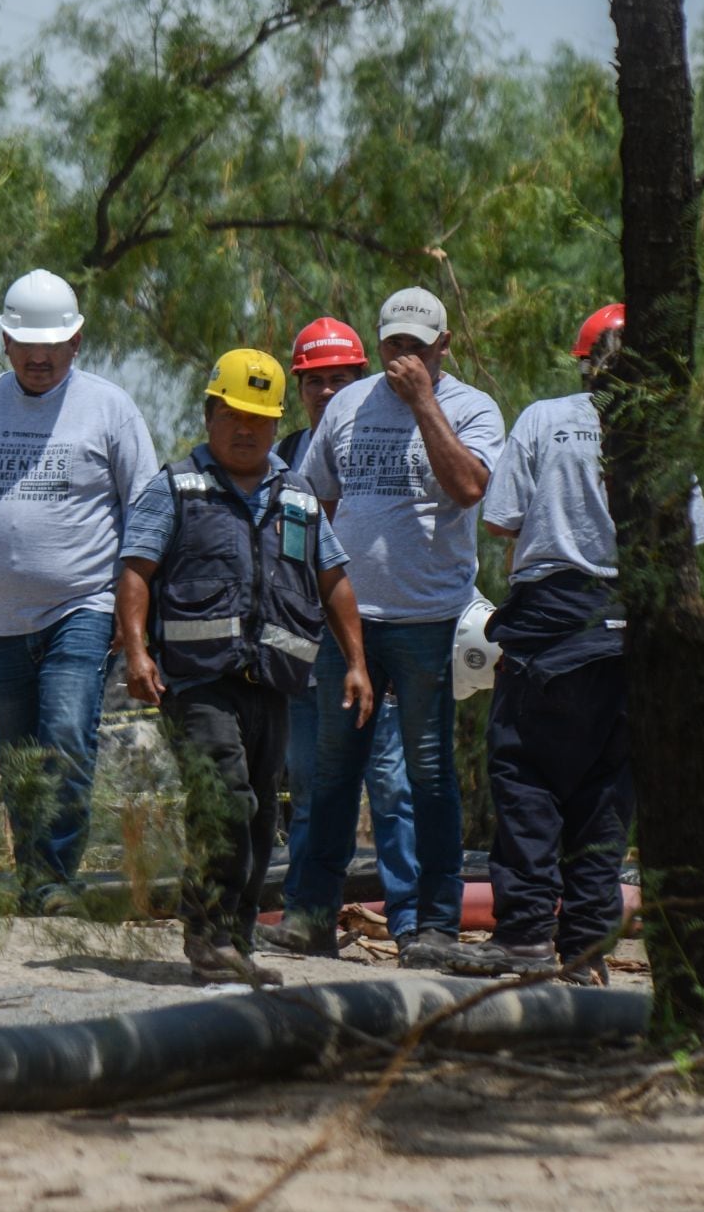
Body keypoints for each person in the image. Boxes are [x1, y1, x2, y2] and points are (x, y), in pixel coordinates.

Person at [448, 304, 704, 985]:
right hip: (632, 628)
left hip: (551, 621)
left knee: (527, 777)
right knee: (605, 794)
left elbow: (502, 520)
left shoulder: (542, 418)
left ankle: (529, 938)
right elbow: (689, 542)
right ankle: (588, 951)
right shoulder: (665, 436)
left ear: (585, 362)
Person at [259, 287, 504, 969]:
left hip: (428, 622)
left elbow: (470, 488)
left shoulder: (471, 408)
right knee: (332, 776)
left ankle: (435, 925)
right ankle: (309, 917)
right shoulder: (345, 405)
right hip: (349, 626)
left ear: (443, 347)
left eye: (417, 348)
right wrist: (299, 590)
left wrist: (424, 403)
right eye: (393, 344)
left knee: (427, 777)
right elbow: (316, 502)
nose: (403, 358)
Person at [117, 349, 373, 982]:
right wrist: (136, 652)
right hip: (199, 682)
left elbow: (334, 579)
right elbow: (135, 573)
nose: (246, 430)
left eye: (259, 419)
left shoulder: (299, 498)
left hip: (273, 685)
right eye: (233, 415)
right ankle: (206, 932)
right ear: (209, 415)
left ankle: (232, 940)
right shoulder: (174, 489)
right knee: (224, 801)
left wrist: (357, 663)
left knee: (260, 815)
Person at [0, 269, 158, 904]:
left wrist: (136, 617)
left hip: (82, 605)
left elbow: (149, 513)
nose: (40, 356)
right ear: (5, 341)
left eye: (54, 344)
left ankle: (55, 878)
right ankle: (33, 874)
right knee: (20, 756)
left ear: (77, 342)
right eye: (28, 344)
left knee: (67, 736)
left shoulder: (110, 409)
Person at [276, 317, 420, 944]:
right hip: (303, 653)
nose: (329, 392)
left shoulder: (382, 444)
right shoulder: (279, 457)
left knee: (393, 790)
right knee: (310, 789)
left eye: (342, 379)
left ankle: (414, 924)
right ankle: (309, 920)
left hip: (374, 643)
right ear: (298, 385)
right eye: (317, 381)